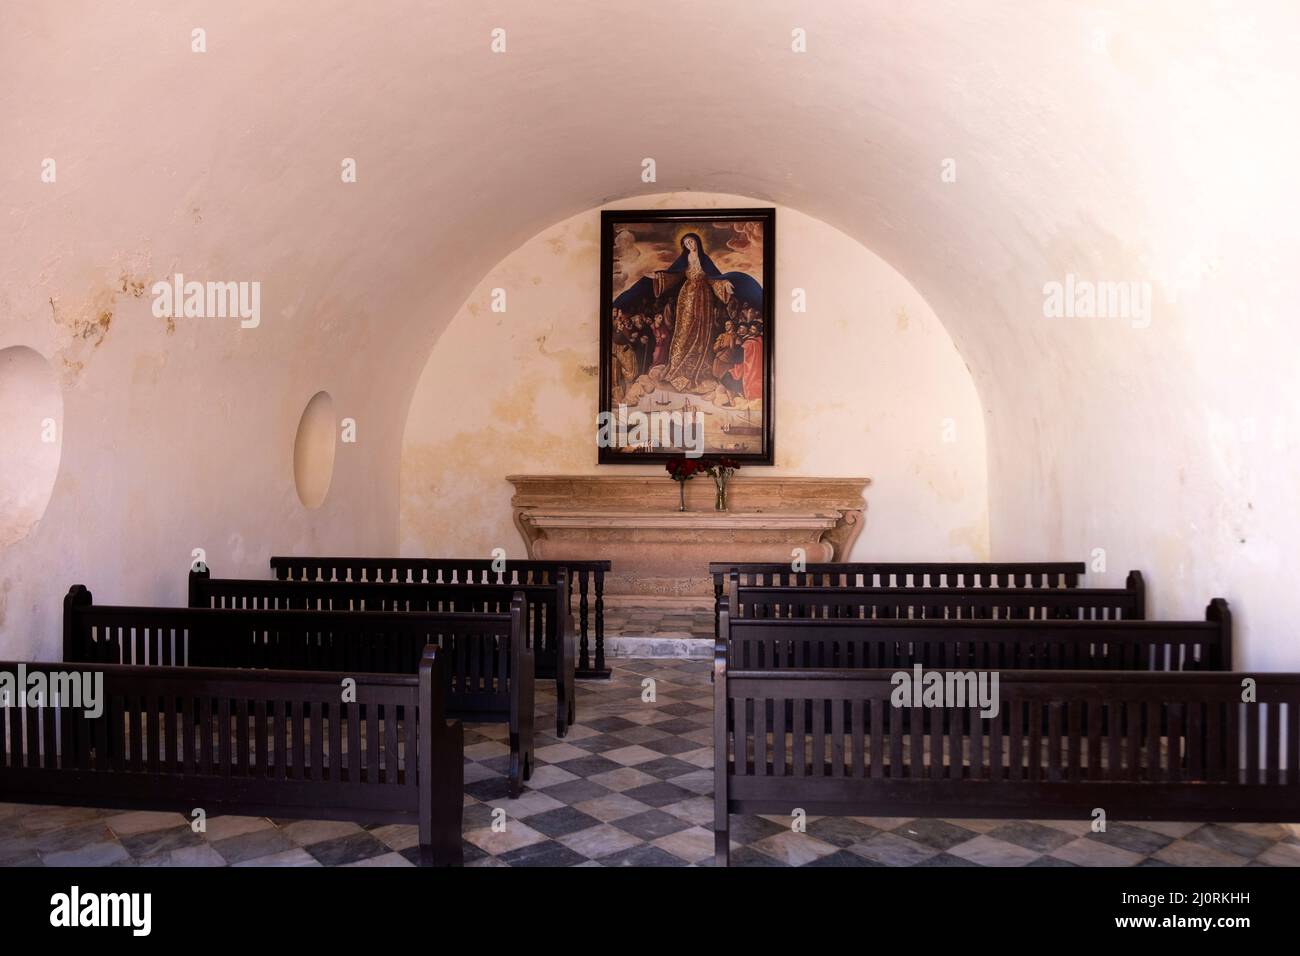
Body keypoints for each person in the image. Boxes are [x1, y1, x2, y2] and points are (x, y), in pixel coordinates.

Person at [651, 234, 736, 391]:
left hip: (704, 298)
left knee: (701, 330)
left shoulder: (705, 259)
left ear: (697, 241)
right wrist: (659, 277)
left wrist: (724, 283)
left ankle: (696, 369)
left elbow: (714, 278)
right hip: (687, 296)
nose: (690, 245)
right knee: (684, 330)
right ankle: (677, 367)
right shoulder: (684, 259)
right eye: (686, 243)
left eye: (691, 241)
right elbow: (673, 275)